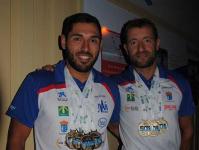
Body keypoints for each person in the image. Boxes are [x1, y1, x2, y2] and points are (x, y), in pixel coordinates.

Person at [6, 13, 120, 150]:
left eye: (93, 40)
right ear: (63, 42)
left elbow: (121, 129)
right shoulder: (37, 82)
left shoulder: (110, 86)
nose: (86, 48)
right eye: (77, 39)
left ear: (100, 45)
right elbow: (16, 141)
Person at [110, 18, 195, 150]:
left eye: (147, 41)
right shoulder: (114, 85)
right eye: (133, 42)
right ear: (126, 48)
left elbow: (188, 131)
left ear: (157, 44)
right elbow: (111, 123)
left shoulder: (180, 82)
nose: (141, 48)